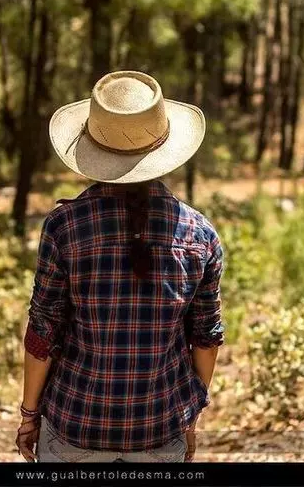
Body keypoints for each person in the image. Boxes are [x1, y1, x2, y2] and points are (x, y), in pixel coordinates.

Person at [15, 71, 225, 463]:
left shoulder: (64, 227)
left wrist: (29, 415)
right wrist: (190, 416)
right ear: (164, 149)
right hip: (160, 429)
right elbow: (206, 338)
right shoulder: (200, 235)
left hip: (76, 427)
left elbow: (42, 333)